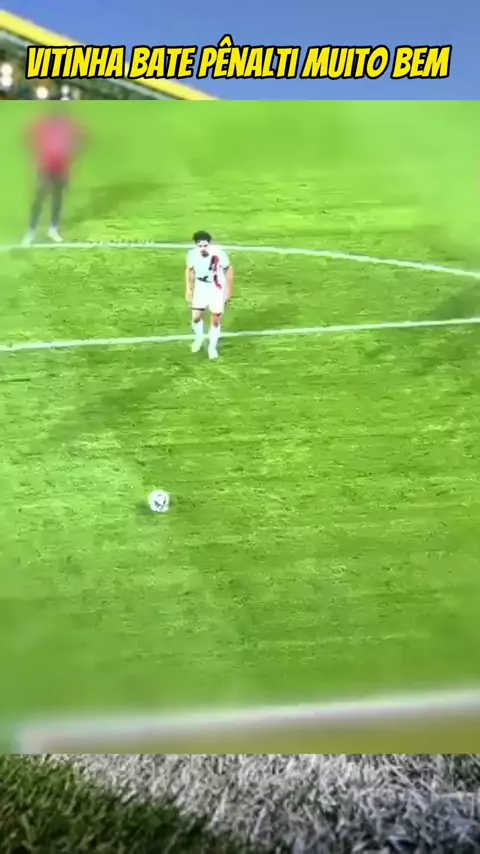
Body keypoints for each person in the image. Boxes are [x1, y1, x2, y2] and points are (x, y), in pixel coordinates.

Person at [22, 103, 86, 246]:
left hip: (61, 167)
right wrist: (35, 156)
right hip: (46, 167)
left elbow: (82, 139)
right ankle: (31, 231)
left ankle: (53, 229)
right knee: (40, 198)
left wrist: (74, 154)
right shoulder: (43, 124)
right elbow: (28, 137)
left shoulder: (68, 126)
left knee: (57, 198)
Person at [185, 231, 234, 360]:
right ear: (196, 245)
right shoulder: (192, 254)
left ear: (209, 244)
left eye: (205, 245)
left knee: (216, 318)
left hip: (216, 288)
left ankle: (212, 347)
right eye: (200, 246)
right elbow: (189, 270)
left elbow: (228, 269)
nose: (203, 248)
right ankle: (199, 338)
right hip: (201, 287)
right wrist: (189, 289)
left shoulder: (219, 253)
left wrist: (228, 290)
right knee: (196, 317)